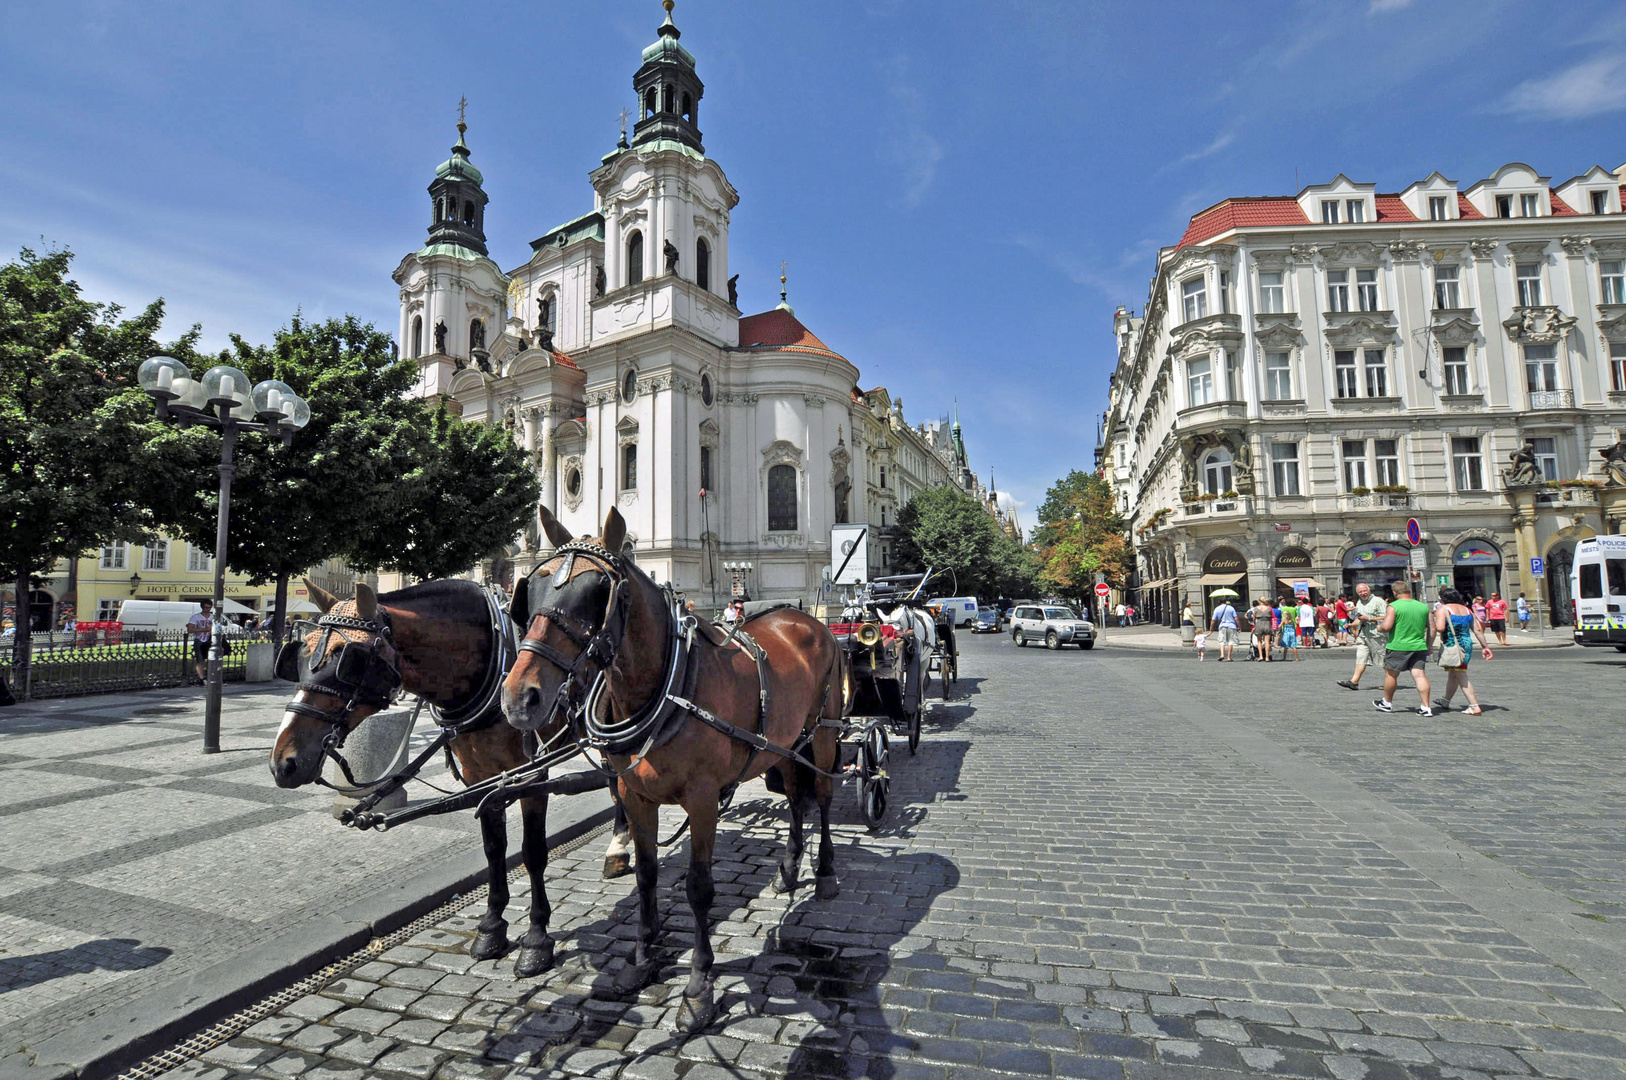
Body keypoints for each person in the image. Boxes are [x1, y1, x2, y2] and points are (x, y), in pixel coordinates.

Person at [1374, 582, 1434, 715]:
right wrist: (1429, 645)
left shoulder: (1393, 606)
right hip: (1419, 646)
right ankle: (1426, 707)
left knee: (1391, 674)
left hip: (1398, 646)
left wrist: (1379, 628)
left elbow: (1387, 626)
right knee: (1419, 675)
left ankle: (1387, 703)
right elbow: (1432, 629)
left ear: (1395, 593)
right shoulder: (1423, 607)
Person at [1432, 587, 1492, 714]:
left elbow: (1440, 628)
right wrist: (1485, 647)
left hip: (1453, 645)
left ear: (1442, 598)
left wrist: (1433, 621)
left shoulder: (1442, 610)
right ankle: (1446, 700)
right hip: (1466, 644)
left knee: (1461, 674)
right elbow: (1478, 630)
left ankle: (1474, 705)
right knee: (1454, 673)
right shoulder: (1467, 610)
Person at [1339, 583, 1387, 690]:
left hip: (1377, 635)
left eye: (1364, 591)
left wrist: (1370, 619)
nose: (1363, 593)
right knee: (1361, 657)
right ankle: (1354, 682)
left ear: (1369, 590)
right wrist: (1351, 624)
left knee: (1383, 659)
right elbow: (1359, 619)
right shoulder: (1359, 603)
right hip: (1363, 635)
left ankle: (1389, 682)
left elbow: (1386, 617)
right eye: (1360, 592)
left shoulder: (1379, 602)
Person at [186, 600, 214, 685]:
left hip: (209, 640)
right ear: (202, 607)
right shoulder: (196, 617)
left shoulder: (213, 617)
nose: (208, 609)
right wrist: (204, 629)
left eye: (209, 607)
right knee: (200, 659)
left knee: (212, 659)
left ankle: (211, 676)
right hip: (199, 640)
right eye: (206, 607)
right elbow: (190, 629)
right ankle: (202, 678)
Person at [1210, 596, 1239, 662]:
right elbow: (1236, 618)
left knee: (1221, 641)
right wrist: (1239, 626)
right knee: (1230, 641)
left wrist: (1211, 627)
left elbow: (1213, 620)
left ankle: (1222, 655)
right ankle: (1229, 657)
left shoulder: (1217, 609)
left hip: (1222, 626)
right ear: (1226, 601)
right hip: (1232, 626)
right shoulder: (1231, 608)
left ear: (1219, 602)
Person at [1279, 596, 1300, 660]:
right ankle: (1296, 658)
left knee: (1286, 645)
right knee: (1293, 645)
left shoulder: (1283, 609)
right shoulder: (1294, 609)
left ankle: (1284, 657)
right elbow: (1296, 616)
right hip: (1292, 629)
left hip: (1285, 629)